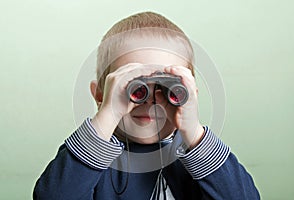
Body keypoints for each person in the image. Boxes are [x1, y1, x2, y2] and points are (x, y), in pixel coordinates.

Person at [33, 11, 260, 199]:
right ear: (100, 94)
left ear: (189, 95)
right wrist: (107, 117)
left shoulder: (195, 155)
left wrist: (194, 132)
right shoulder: (93, 158)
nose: (151, 99)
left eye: (167, 88)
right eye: (135, 87)